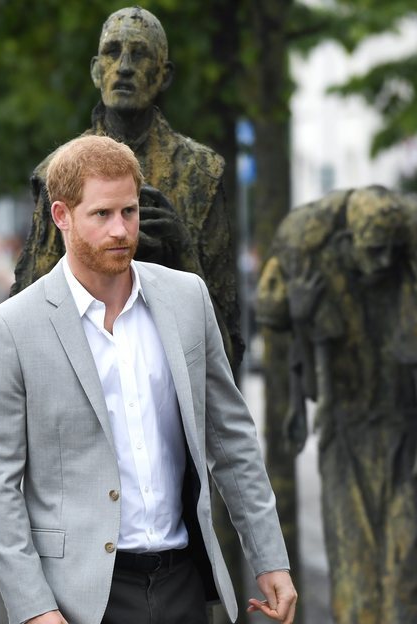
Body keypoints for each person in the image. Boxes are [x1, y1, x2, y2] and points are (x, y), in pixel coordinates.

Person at [0, 135, 296, 624]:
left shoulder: (184, 298)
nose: (121, 229)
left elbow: (231, 437)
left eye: (130, 211)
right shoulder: (10, 329)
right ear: (61, 215)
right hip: (76, 602)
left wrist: (269, 556)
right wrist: (30, 605)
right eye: (101, 214)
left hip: (177, 590)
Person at [257, 186, 417, 624]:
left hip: (405, 440)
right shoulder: (319, 273)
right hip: (345, 442)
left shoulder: (413, 276)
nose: (379, 264)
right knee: (354, 592)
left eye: (388, 252)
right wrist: (298, 320)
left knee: (412, 589)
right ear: (348, 241)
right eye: (370, 251)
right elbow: (274, 319)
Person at [12, 6, 243, 368]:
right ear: (95, 70)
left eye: (140, 53)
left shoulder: (201, 173)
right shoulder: (55, 174)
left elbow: (226, 348)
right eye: (112, 52)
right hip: (85, 369)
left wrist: (181, 250)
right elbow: (29, 314)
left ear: (164, 75)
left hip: (169, 371)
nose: (123, 66)